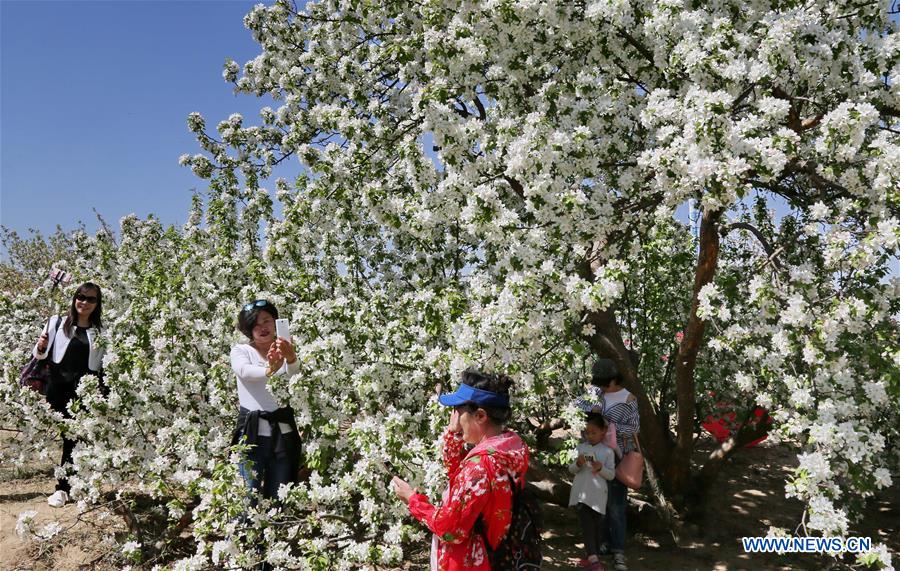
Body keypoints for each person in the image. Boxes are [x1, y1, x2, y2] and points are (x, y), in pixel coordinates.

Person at [391, 369, 529, 571]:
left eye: (457, 410)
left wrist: (413, 500)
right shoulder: (510, 447)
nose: (453, 417)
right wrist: (454, 434)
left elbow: (450, 529)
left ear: (480, 416)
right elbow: (459, 475)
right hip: (499, 553)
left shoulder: (479, 468)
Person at [32, 282, 105, 508]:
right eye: (81, 297)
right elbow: (40, 355)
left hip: (85, 391)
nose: (84, 302)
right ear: (74, 299)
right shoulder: (58, 323)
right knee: (70, 437)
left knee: (74, 438)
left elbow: (102, 364)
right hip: (59, 389)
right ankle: (69, 487)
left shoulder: (100, 332)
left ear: (97, 304)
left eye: (91, 299)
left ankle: (66, 488)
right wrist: (41, 346)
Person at [230, 299, 301, 500]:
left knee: (279, 498)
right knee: (246, 497)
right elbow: (245, 371)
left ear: (276, 322)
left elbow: (296, 376)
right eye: (255, 324)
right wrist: (270, 369)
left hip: (283, 435)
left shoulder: (285, 349)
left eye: (267, 321)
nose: (262, 327)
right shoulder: (241, 351)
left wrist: (291, 358)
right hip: (251, 436)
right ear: (248, 330)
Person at [574, 358, 640, 571]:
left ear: (613, 380)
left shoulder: (629, 399)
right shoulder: (595, 393)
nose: (601, 387)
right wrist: (591, 408)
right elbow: (575, 406)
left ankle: (618, 550)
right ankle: (601, 543)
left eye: (604, 383)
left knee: (616, 506)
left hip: (617, 456)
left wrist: (609, 424)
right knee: (596, 502)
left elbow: (634, 429)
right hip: (594, 455)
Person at [568, 413, 616, 571]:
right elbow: (571, 469)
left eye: (593, 432)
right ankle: (594, 560)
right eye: (587, 432)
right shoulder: (580, 448)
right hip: (581, 494)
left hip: (598, 496)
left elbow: (611, 475)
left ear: (603, 431)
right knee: (586, 525)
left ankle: (592, 557)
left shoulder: (608, 452)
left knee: (597, 528)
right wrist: (578, 463)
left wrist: (601, 468)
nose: (590, 436)